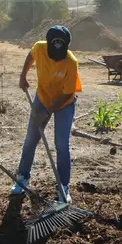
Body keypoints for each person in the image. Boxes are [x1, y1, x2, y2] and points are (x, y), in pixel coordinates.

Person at [11, 25, 82, 202]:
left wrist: (47, 112)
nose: (57, 59)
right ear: (48, 45)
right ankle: (22, 178)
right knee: (30, 140)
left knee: (61, 144)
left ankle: (63, 186)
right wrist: (23, 75)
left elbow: (67, 94)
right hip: (42, 98)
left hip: (64, 104)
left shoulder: (71, 62)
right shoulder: (39, 47)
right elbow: (31, 55)